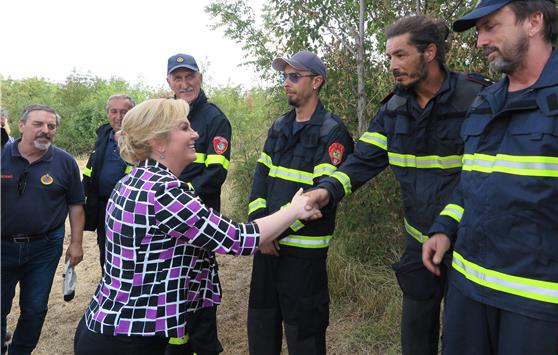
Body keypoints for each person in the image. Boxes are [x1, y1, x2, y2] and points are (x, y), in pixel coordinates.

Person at [73, 98, 320, 355]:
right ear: (158, 142)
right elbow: (238, 239)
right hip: (125, 341)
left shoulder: (134, 180)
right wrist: (295, 209)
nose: (195, 134)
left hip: (115, 329)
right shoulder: (162, 191)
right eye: (183, 128)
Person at [304, 16, 490, 355]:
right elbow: (362, 160)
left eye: (400, 55)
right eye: (389, 57)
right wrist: (327, 190)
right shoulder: (393, 108)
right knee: (415, 341)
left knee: (465, 343)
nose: (392, 65)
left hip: (471, 249)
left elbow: (487, 177)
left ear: (430, 52)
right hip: (418, 249)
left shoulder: (477, 99)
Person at [421, 0, 558, 355]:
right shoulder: (485, 101)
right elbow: (472, 183)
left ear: (533, 22)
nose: (481, 41)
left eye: (491, 26)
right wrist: (444, 227)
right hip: (467, 294)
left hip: (540, 310)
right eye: (479, 31)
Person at [246, 50, 354, 355]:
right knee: (261, 333)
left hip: (303, 258)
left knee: (304, 340)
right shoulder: (279, 126)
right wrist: (261, 228)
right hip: (266, 251)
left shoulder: (332, 132)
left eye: (294, 76)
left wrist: (270, 232)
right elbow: (260, 179)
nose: (286, 83)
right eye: (284, 76)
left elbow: (320, 198)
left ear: (316, 81)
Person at [1, 104, 85, 355]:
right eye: (38, 124)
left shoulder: (66, 162)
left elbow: (76, 205)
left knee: (35, 309)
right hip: (2, 247)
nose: (45, 130)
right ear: (21, 125)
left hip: (44, 249)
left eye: (51, 126)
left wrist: (76, 243)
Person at [165, 53, 231, 355]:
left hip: (197, 221)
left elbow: (216, 174)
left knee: (199, 292)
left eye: (189, 76)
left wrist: (176, 197)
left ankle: (204, 346)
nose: (184, 83)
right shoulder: (163, 115)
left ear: (200, 78)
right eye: (177, 78)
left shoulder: (215, 119)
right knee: (168, 291)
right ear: (169, 82)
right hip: (163, 224)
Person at [83, 94, 135, 272]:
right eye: (114, 111)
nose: (118, 117)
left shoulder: (141, 139)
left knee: (128, 255)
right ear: (107, 113)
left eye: (124, 112)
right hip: (103, 208)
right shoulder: (103, 136)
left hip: (130, 209)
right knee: (105, 253)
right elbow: (90, 172)